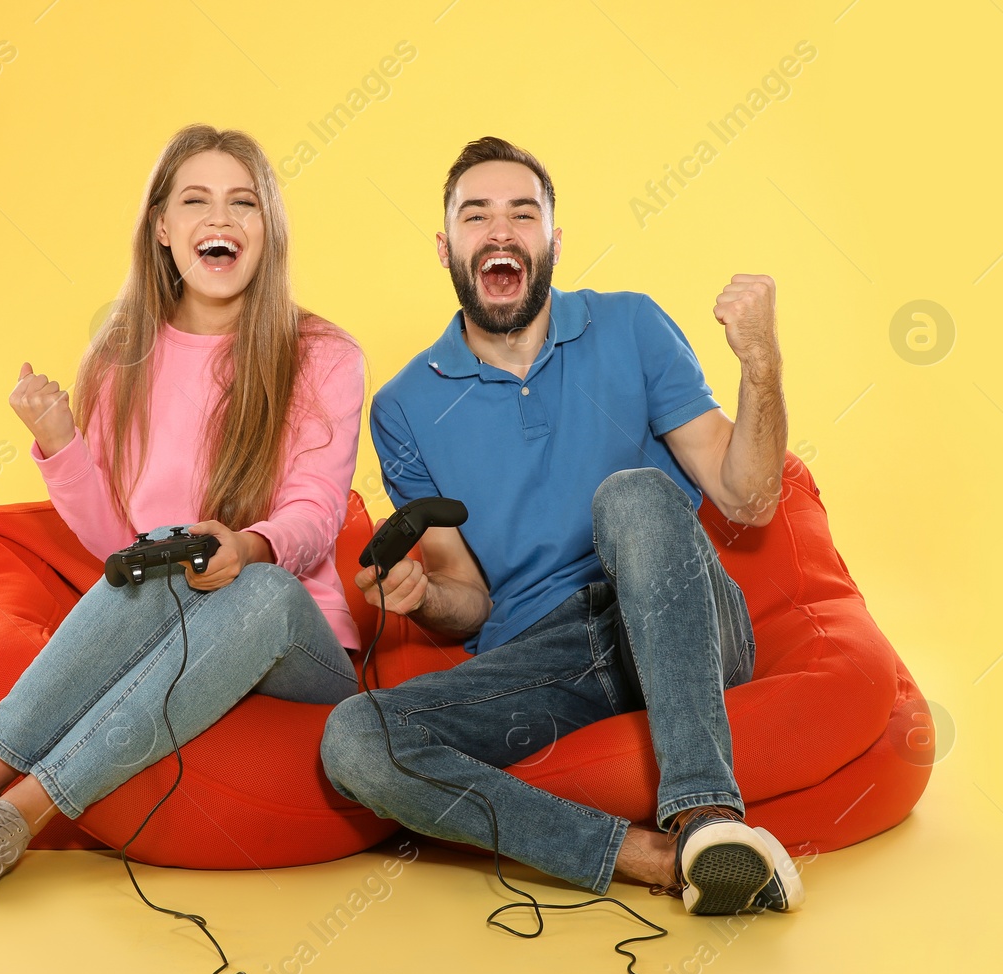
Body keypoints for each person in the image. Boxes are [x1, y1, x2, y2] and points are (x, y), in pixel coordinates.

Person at [0, 124, 366, 897]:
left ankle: (21, 810)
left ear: (268, 228)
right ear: (162, 227)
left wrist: (249, 546)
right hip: (173, 629)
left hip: (293, 643)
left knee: (257, 591)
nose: (219, 219)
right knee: (159, 549)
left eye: (243, 202)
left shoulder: (324, 353)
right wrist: (62, 444)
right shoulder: (121, 355)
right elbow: (119, 548)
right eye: (195, 201)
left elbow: (318, 512)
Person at [320, 136, 805, 916]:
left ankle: (710, 816)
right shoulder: (406, 405)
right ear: (448, 248)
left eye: (523, 212)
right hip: (554, 661)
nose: (501, 230)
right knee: (352, 737)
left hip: (683, 620)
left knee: (632, 494)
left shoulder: (633, 327)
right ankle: (651, 857)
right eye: (477, 216)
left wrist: (763, 367)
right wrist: (421, 593)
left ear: (552, 239)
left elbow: (748, 499)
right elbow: (468, 600)